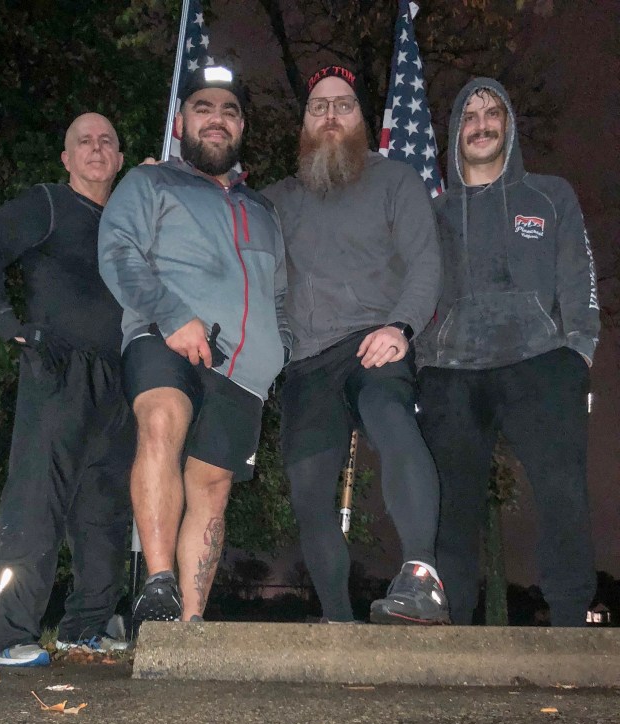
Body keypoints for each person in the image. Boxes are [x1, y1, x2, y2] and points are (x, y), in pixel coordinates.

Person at [98, 65, 291, 624]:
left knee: (213, 485)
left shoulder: (264, 210)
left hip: (243, 369)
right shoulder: (150, 183)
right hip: (164, 335)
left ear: (241, 127)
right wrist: (172, 315)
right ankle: (159, 584)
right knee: (161, 420)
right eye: (202, 107)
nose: (216, 118)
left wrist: (278, 349)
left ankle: (191, 624)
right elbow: (118, 251)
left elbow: (280, 294)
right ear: (181, 122)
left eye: (229, 111)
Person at [262, 64, 448, 625]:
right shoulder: (275, 200)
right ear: (304, 122)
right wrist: (173, 176)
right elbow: (220, 219)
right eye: (318, 106)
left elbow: (425, 263)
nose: (330, 115)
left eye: (343, 105)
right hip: (307, 362)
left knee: (391, 416)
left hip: (375, 342)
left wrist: (401, 327)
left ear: (362, 119)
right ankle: (338, 620)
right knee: (308, 493)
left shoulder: (396, 182)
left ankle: (421, 577)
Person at [415, 78, 600, 626]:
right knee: (451, 506)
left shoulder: (549, 196)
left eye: (492, 113)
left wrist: (579, 350)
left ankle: (570, 619)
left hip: (540, 362)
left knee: (563, 490)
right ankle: (452, 625)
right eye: (469, 116)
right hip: (451, 371)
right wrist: (422, 359)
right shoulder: (433, 212)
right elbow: (413, 290)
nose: (481, 124)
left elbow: (579, 275)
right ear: (455, 132)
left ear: (509, 124)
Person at [0, 113, 133, 667]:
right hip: (59, 370)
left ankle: (86, 626)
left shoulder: (128, 220)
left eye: (106, 141)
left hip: (119, 378)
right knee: (37, 499)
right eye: (84, 141)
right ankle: (7, 636)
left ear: (120, 158)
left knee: (105, 508)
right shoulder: (49, 204)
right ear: (67, 158)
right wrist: (3, 320)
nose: (96, 148)